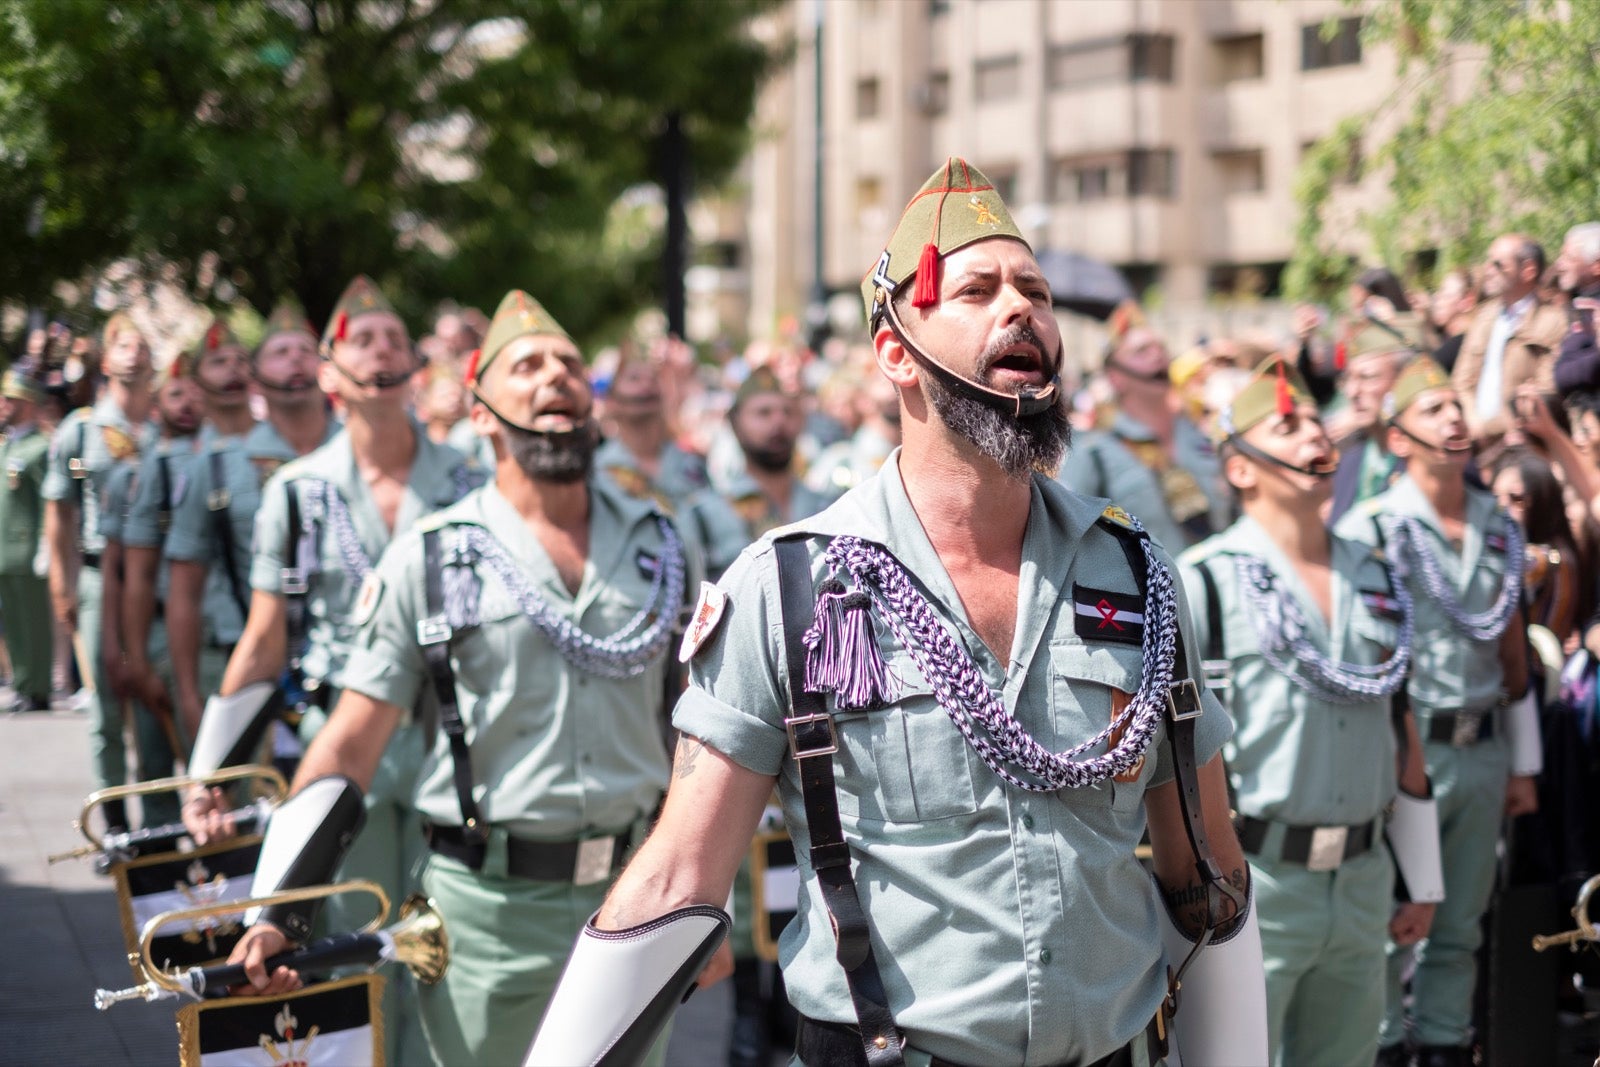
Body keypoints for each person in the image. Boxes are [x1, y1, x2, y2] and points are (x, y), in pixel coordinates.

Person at [528, 158, 1267, 1067]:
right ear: (895, 351)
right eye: (978, 289)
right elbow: (680, 874)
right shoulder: (789, 587)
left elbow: (1208, 871)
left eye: (1034, 290)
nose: (1021, 309)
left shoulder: (1135, 574)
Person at [219, 289, 697, 1066]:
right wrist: (279, 907)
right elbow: (347, 746)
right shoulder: (430, 556)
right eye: (529, 365)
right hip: (487, 918)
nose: (557, 377)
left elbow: (696, 736)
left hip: (636, 906)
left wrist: (704, 901)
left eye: (571, 364)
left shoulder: (662, 544)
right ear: (481, 415)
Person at [183, 276, 475, 1067]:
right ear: (329, 372)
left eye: (393, 336)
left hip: (454, 748)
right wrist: (210, 769)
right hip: (342, 751)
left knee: (450, 954)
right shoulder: (298, 491)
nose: (382, 346)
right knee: (344, 952)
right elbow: (264, 638)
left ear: (415, 364)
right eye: (361, 338)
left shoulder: (469, 478)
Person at [1178, 357, 1441, 1067]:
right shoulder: (1202, 580)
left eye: (1317, 424)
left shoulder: (1377, 572)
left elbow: (1403, 724)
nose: (1312, 437)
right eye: (1287, 426)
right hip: (1259, 877)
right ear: (1240, 468)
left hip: (1361, 875)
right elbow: (1180, 757)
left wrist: (1423, 875)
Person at [1336, 358, 1540, 1067]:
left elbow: (1512, 648)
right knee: (1398, 919)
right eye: (1432, 410)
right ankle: (1387, 1045)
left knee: (1462, 926)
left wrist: (1524, 759)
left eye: (1456, 405)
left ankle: (1448, 1047)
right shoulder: (1370, 529)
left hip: (1481, 746)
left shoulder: (1495, 522)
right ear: (1397, 438)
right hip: (1405, 751)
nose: (1453, 418)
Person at [158, 304, 340, 742]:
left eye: (305, 350)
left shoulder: (364, 460)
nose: (296, 358)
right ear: (258, 378)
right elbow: (185, 585)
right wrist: (187, 691)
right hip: (246, 667)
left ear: (329, 369)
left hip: (344, 670)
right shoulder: (217, 466)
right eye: (280, 351)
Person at [43, 313, 158, 834]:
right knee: (106, 710)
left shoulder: (166, 426)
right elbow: (59, 514)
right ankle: (115, 823)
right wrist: (62, 587)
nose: (134, 353)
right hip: (96, 578)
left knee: (157, 699)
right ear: (106, 361)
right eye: (123, 345)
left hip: (157, 578)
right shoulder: (82, 428)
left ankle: (163, 815)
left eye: (142, 345)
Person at [120, 328, 254, 749]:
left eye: (240, 361)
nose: (232, 371)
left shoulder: (266, 451)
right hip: (201, 635)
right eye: (218, 363)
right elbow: (137, 572)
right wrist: (136, 658)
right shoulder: (164, 466)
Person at [1100, 325, 1229, 547]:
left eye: (1161, 347)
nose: (1158, 354)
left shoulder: (1202, 430)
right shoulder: (1099, 450)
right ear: (1115, 377)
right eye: (1142, 350)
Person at [1450, 234, 1567, 449]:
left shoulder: (1553, 321)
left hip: (1521, 445)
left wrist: (1492, 427)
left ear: (1528, 270)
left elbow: (1545, 390)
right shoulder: (1484, 315)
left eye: (1498, 264)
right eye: (1488, 261)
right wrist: (1472, 420)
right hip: (1474, 440)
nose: (1488, 270)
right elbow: (1461, 379)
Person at [1326, 317, 1424, 524]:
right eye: (1348, 379)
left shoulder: (1430, 462)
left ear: (1403, 380)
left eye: (1367, 378)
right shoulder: (1347, 459)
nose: (1352, 392)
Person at [0, 368, 55, 713]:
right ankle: (21, 683)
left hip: (27, 549)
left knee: (34, 622)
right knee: (15, 623)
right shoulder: (9, 445)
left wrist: (46, 544)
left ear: (30, 403)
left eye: (12, 399)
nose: (4, 405)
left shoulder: (41, 447)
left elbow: (50, 501)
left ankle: (38, 686)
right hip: (5, 550)